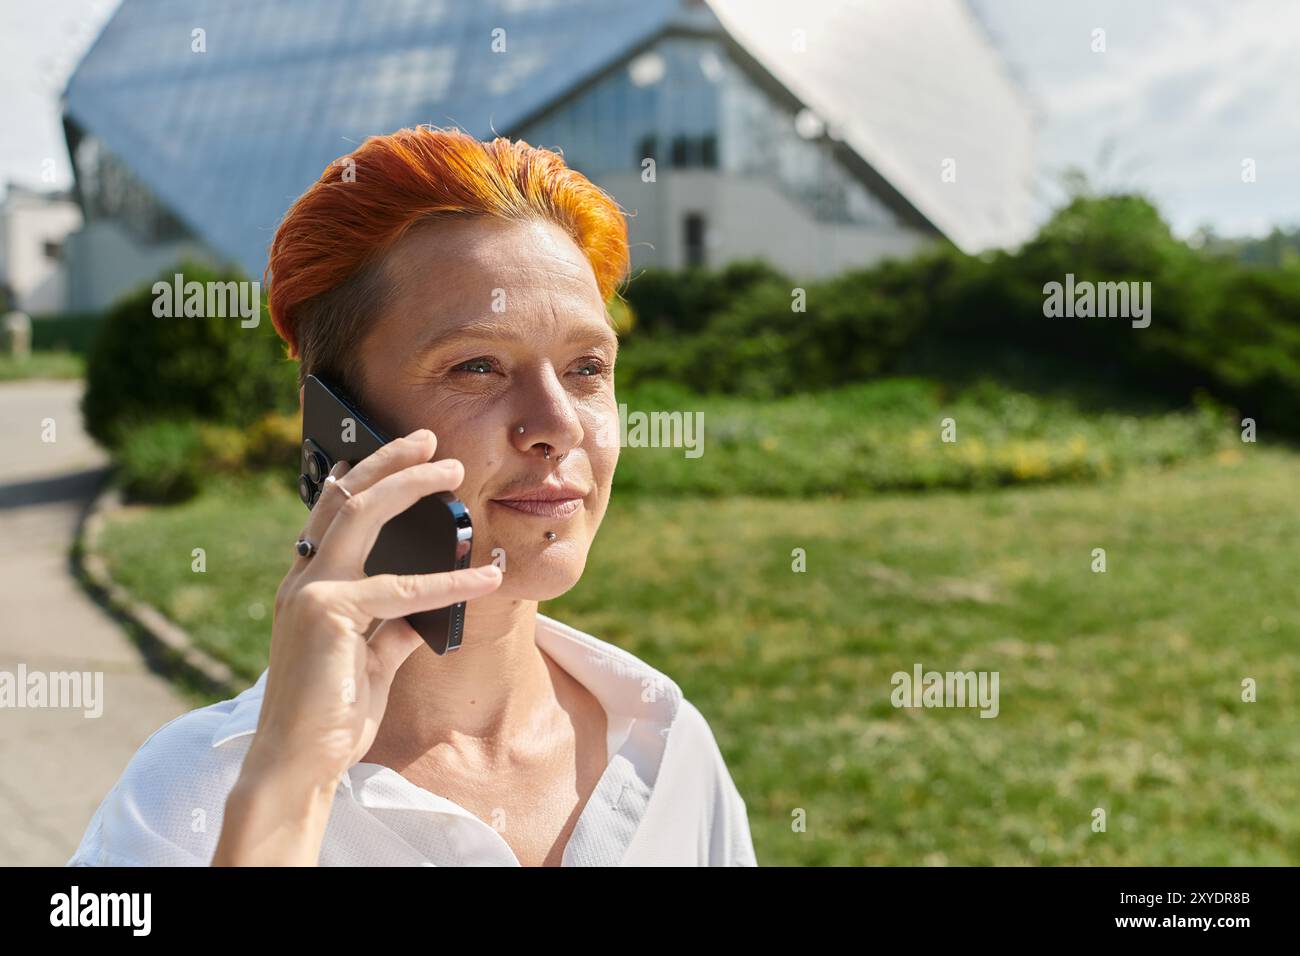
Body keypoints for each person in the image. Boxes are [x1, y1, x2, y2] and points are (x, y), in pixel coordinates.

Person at [66, 126, 757, 867]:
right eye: (478, 367)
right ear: (339, 424)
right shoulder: (187, 798)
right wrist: (290, 787)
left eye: (587, 367)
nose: (558, 426)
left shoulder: (664, 744)